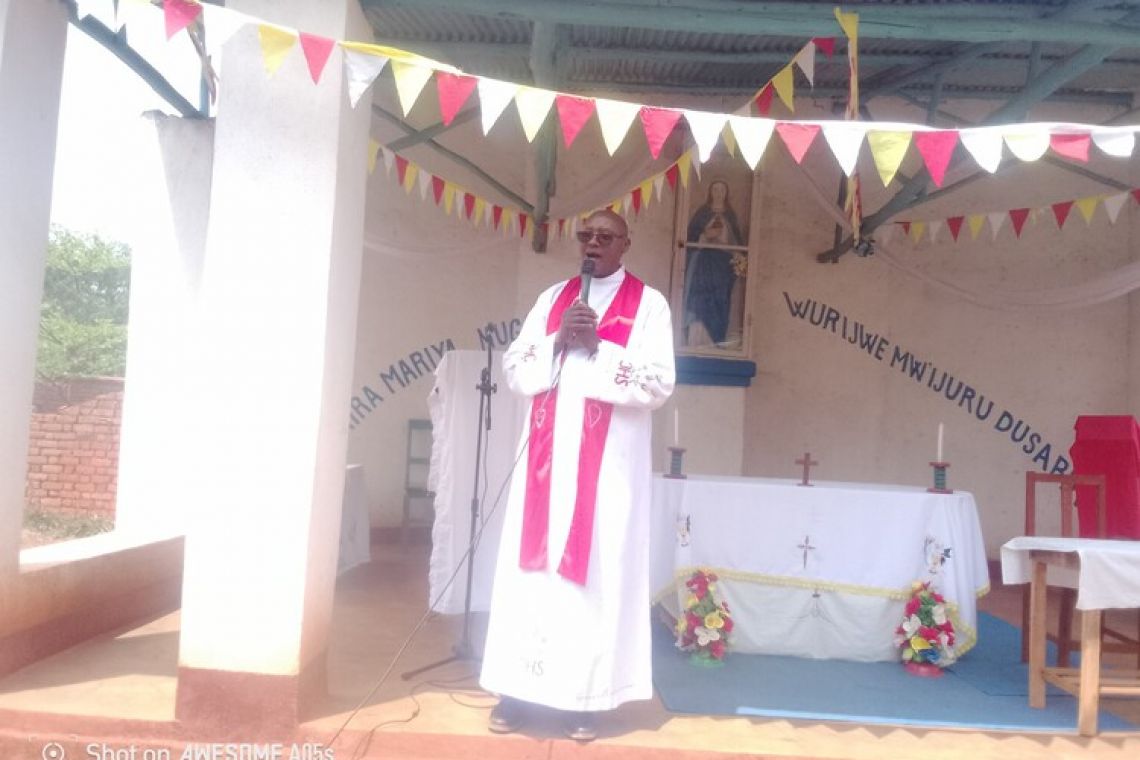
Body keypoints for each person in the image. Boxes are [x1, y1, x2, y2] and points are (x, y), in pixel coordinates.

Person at [479, 209, 676, 742]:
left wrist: (600, 350)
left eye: (605, 237)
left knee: (595, 574)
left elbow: (659, 384)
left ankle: (586, 699)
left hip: (606, 473)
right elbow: (517, 370)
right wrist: (555, 341)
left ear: (625, 244)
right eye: (586, 236)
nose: (594, 243)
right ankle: (516, 691)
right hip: (544, 470)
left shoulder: (650, 304)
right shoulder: (551, 299)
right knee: (531, 578)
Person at [683, 179, 744, 348]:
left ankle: (717, 338)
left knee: (720, 299)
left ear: (726, 193)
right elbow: (691, 236)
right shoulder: (703, 213)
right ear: (710, 192)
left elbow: (738, 242)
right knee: (700, 300)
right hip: (704, 261)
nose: (718, 193)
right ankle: (698, 340)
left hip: (723, 264)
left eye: (721, 190)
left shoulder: (730, 215)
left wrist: (728, 244)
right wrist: (705, 235)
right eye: (715, 189)